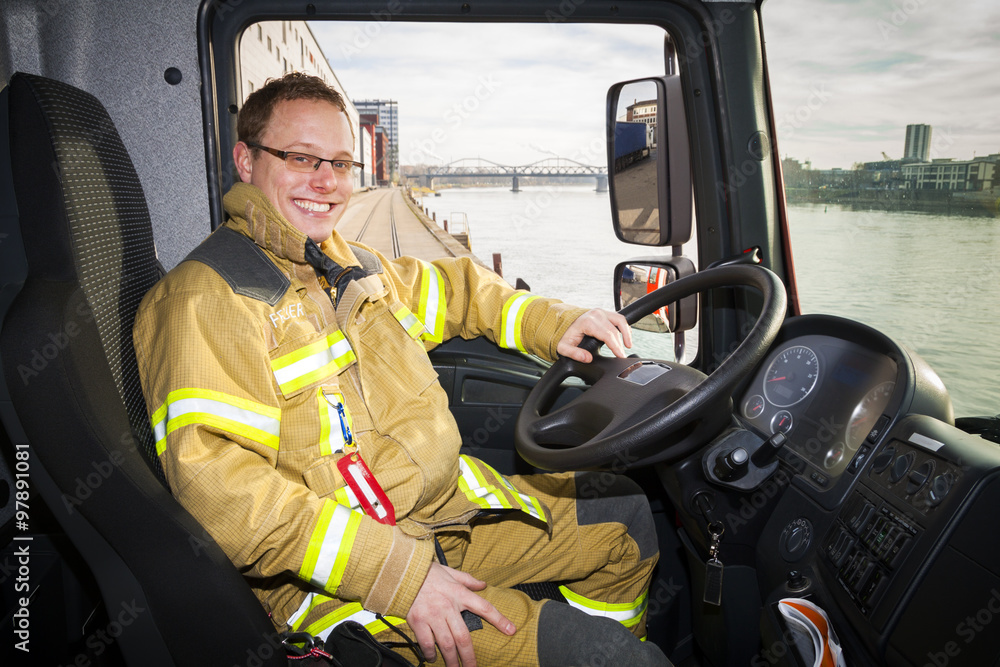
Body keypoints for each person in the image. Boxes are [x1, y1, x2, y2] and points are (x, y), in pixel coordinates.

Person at [134, 72, 669, 667]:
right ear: (246, 160)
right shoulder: (207, 299)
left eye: (339, 163)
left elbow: (460, 292)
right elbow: (225, 494)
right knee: (610, 659)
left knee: (622, 516)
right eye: (301, 158)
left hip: (438, 518)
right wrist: (400, 575)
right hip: (336, 581)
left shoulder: (348, 267)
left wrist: (554, 322)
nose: (326, 181)